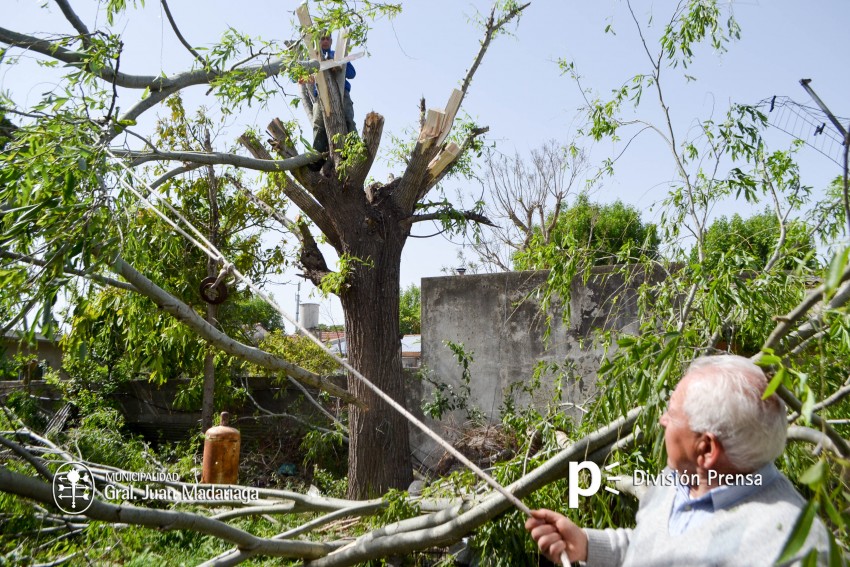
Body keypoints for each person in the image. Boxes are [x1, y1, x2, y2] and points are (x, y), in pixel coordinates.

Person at [526, 355, 831, 566]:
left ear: (706, 450)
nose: (661, 420)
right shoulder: (677, 479)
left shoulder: (789, 547)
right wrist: (587, 545)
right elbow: (652, 547)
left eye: (672, 414)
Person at [299, 34, 356, 171]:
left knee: (348, 119)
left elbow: (352, 73)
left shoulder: (337, 54)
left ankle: (354, 150)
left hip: (342, 92)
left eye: (327, 39)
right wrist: (306, 76)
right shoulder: (313, 57)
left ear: (331, 41)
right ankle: (317, 157)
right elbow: (297, 75)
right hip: (321, 94)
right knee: (318, 123)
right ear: (318, 41)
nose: (324, 41)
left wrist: (337, 61)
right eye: (322, 39)